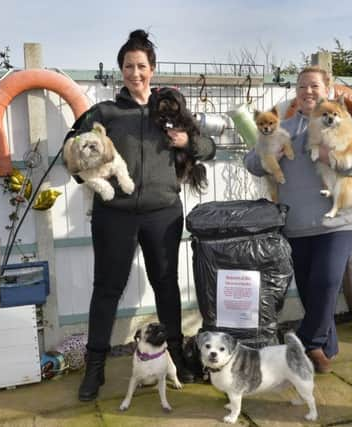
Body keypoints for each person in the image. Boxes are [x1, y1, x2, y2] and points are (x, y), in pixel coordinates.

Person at [65, 30, 216, 401]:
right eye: (129, 66)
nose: (136, 73)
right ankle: (95, 368)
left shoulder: (170, 108)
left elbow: (208, 147)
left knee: (165, 284)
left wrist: (187, 142)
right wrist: (94, 178)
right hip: (114, 215)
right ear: (121, 70)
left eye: (142, 66)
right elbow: (72, 155)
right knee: (107, 290)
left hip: (163, 213)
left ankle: (175, 355)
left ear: (153, 69)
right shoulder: (105, 113)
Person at [244, 66, 352, 373]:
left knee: (326, 281)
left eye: (314, 86)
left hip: (340, 220)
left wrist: (336, 159)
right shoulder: (282, 128)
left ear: (327, 89)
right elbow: (252, 162)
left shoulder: (342, 121)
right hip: (297, 225)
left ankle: (304, 342)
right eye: (302, 86)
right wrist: (271, 158)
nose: (308, 91)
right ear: (296, 91)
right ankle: (324, 349)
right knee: (310, 291)